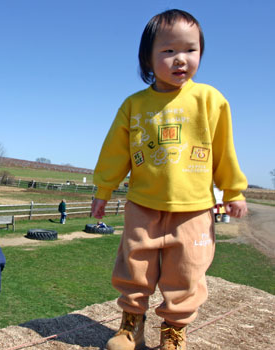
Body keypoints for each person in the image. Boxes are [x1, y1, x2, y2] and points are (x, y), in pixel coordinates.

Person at [90, 9, 248, 350]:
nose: (181, 60)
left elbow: (224, 150)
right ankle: (131, 323)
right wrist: (104, 189)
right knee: (134, 265)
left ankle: (174, 331)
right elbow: (115, 152)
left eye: (191, 50)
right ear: (147, 58)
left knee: (187, 273)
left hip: (194, 208)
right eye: (168, 51)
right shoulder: (135, 105)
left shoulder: (210, 100)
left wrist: (233, 191)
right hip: (142, 204)